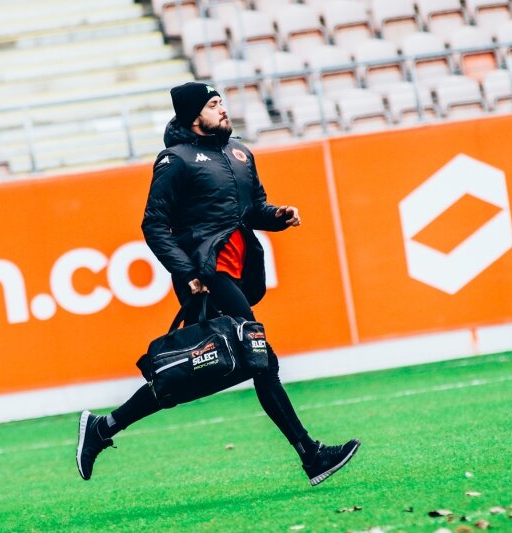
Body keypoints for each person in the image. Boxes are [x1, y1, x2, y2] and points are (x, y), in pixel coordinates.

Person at [76, 82, 360, 486]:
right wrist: (188, 272)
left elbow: (253, 209)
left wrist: (278, 216)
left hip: (237, 273)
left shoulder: (240, 152)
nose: (223, 108)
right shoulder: (174, 160)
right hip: (208, 276)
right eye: (213, 104)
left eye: (221, 102)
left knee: (200, 371)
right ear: (194, 115)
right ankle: (311, 456)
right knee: (263, 361)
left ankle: (103, 428)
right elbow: (154, 225)